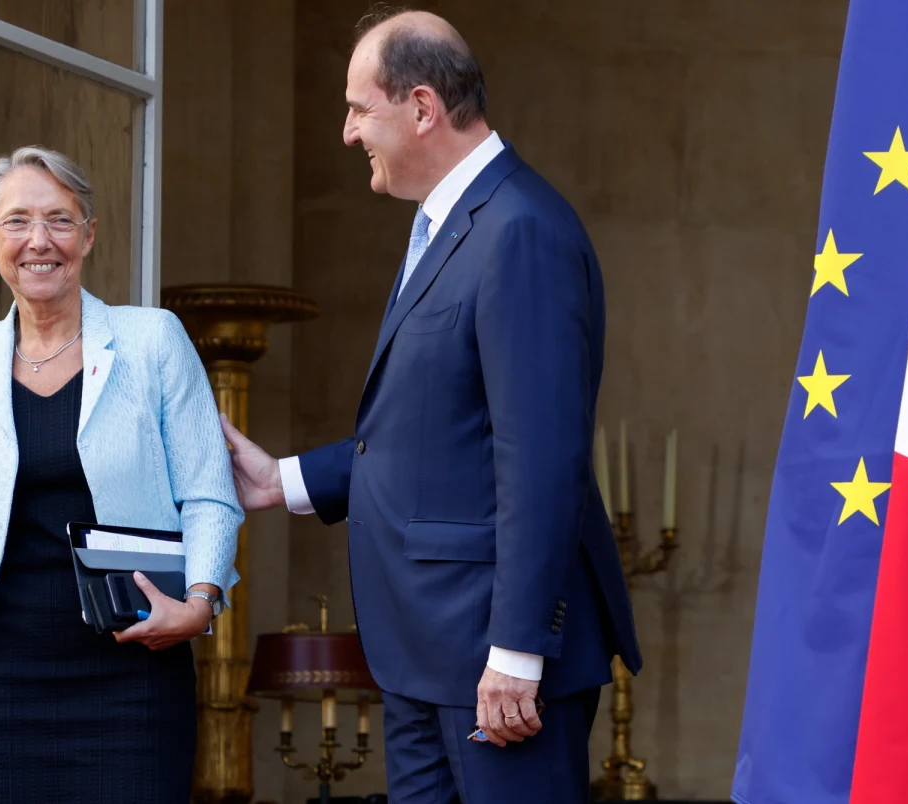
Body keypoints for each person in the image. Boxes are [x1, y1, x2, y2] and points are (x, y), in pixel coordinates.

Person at [220, 9, 641, 803]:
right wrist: (283, 480)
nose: (347, 134)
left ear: (420, 107)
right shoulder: (446, 225)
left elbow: (541, 457)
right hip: (426, 656)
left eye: (357, 109)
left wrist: (516, 650)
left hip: (494, 663)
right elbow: (433, 432)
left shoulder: (520, 230)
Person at [0, 146, 241, 803]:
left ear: (87, 235)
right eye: (17, 221)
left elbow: (210, 495)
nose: (39, 241)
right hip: (7, 676)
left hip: (135, 670)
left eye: (60, 220)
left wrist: (198, 605)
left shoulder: (153, 342)